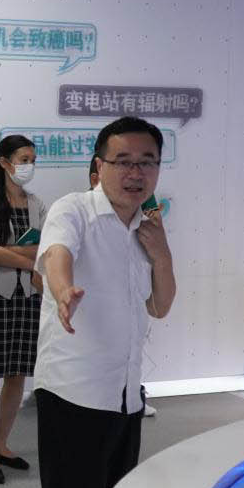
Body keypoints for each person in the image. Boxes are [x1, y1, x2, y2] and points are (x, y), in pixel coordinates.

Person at [36, 117, 176, 488]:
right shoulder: (73, 209)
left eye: (147, 162)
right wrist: (63, 290)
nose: (136, 172)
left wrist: (162, 254)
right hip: (74, 396)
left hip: (127, 398)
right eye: (123, 161)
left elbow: (160, 305)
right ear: (99, 166)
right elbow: (56, 252)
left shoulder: (146, 228)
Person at [0, 134, 47, 484]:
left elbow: (44, 249)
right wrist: (26, 259)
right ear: (4, 162)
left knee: (17, 375)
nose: (28, 166)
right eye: (23, 159)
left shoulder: (37, 203)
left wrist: (4, 253)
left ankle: (1, 443)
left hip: (29, 295)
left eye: (32, 160)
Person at [88, 157, 157, 420]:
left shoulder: (142, 222)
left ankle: (133, 393)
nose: (133, 175)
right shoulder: (81, 217)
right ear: (97, 175)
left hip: (133, 307)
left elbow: (161, 303)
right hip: (99, 315)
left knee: (131, 352)